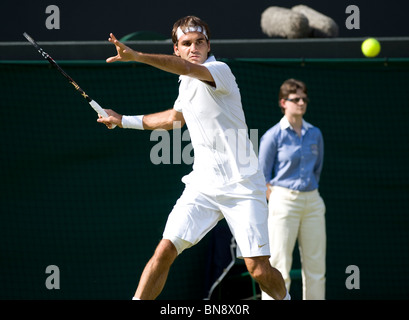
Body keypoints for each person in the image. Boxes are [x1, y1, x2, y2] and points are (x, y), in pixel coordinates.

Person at [97, 16, 289, 300]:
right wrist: (123, 120)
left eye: (200, 42)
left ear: (208, 46)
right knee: (164, 251)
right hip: (203, 185)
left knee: (258, 270)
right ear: (177, 48)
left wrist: (137, 56)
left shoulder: (218, 69)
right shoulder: (185, 84)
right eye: (186, 43)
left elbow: (188, 67)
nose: (194, 47)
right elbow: (175, 119)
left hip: (243, 184)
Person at [258, 79, 326, 300]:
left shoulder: (315, 133)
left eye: (304, 99)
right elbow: (262, 177)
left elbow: (317, 170)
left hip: (313, 202)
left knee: (316, 268)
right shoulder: (272, 136)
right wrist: (277, 199)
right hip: (283, 202)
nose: (301, 103)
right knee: (278, 266)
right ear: (283, 102)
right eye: (296, 99)